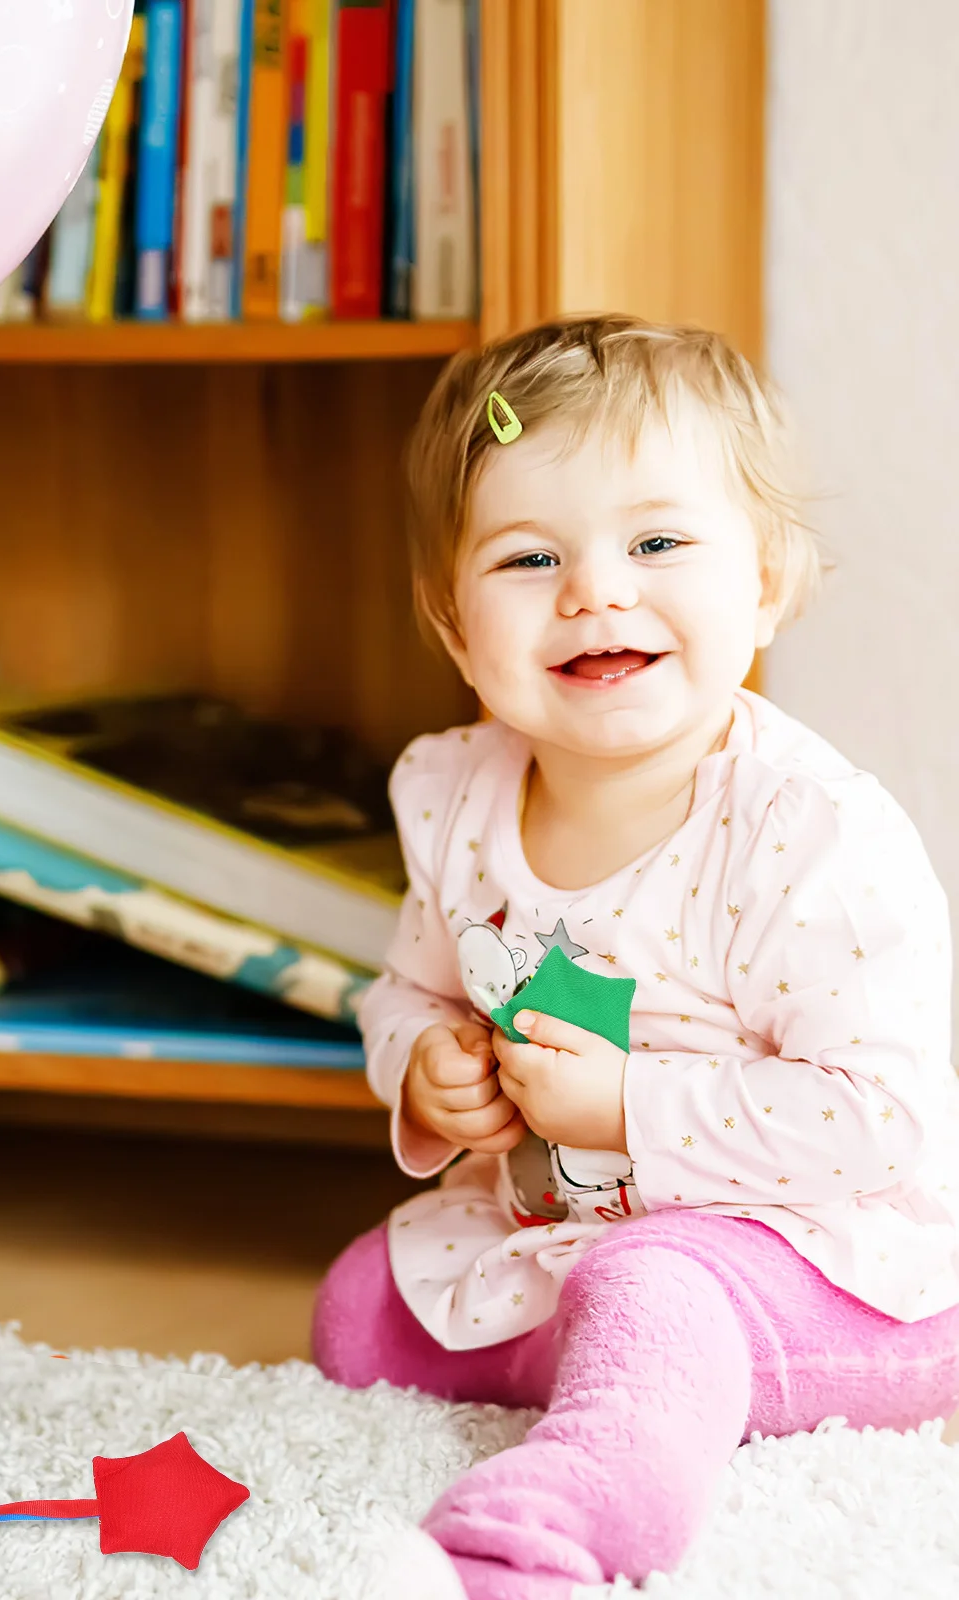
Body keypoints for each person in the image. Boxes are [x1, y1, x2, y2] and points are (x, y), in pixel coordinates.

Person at [312, 315, 959, 1599]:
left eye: (657, 543)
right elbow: (410, 990)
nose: (595, 591)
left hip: (817, 1252)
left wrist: (623, 1106)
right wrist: (427, 1067)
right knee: (357, 1309)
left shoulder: (802, 825)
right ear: (452, 625)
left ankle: (548, 1530)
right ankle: (627, 1365)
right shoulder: (451, 791)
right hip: (559, 1231)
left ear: (764, 580)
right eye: (527, 557)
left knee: (652, 1287)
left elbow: (879, 1119)